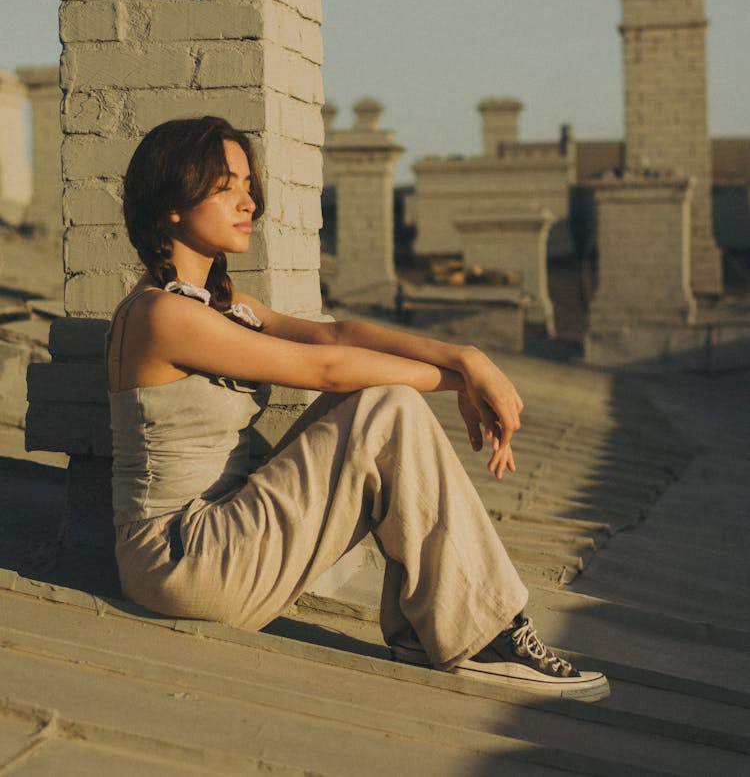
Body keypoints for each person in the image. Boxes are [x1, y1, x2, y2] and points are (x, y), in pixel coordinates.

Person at [107, 115, 609, 702]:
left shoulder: (214, 302)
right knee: (386, 407)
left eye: (248, 183)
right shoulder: (160, 315)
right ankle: (485, 634)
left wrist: (467, 358)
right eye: (226, 186)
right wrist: (455, 383)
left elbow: (334, 336)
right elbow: (327, 369)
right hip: (183, 558)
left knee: (378, 399)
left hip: (224, 532)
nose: (248, 200)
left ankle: (438, 627)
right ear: (172, 202)